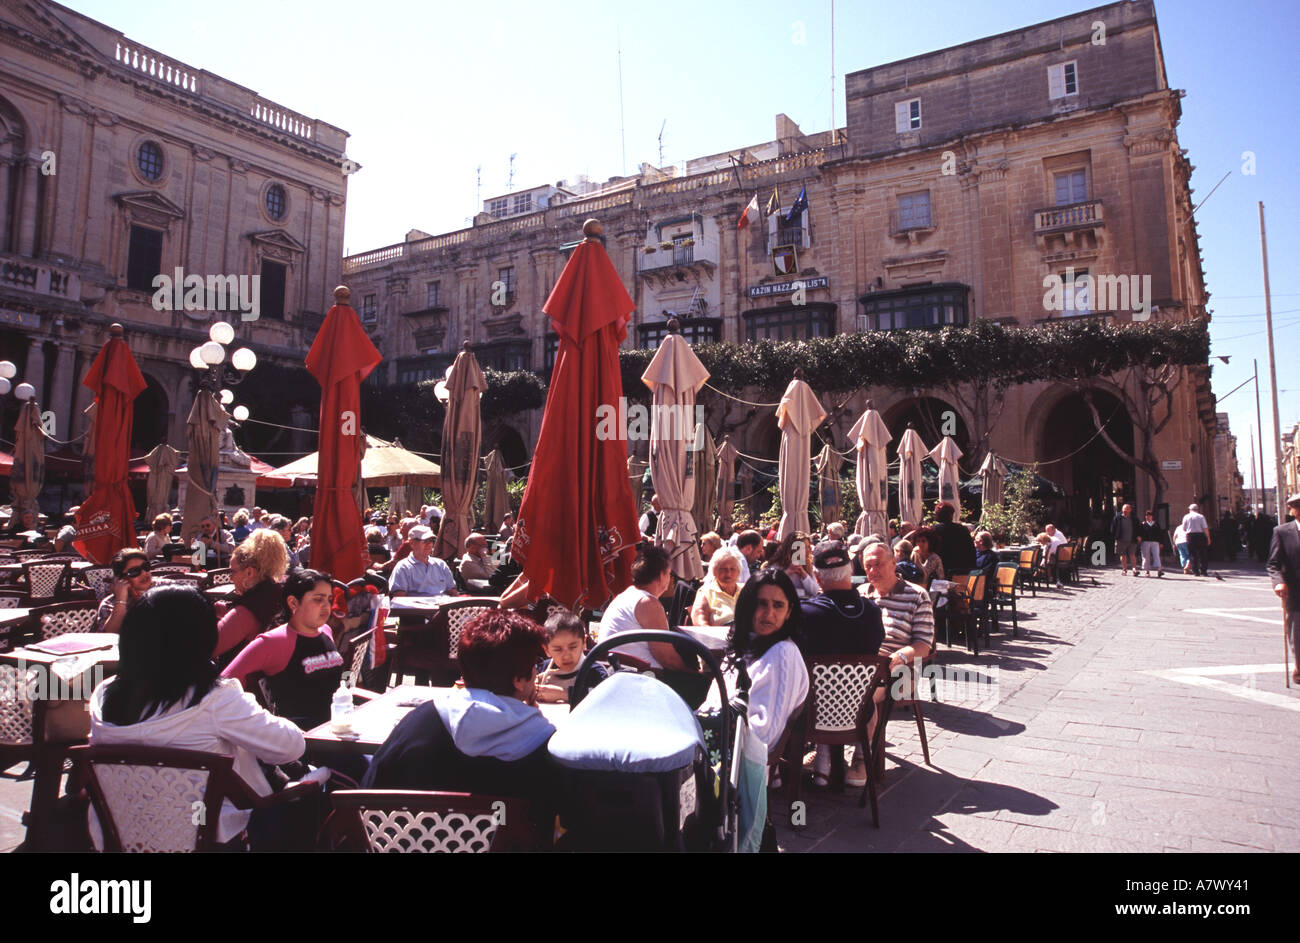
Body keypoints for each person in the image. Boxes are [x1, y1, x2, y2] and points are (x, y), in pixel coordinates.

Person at [89, 584, 306, 850]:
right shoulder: (214, 699)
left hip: (123, 835)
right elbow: (290, 746)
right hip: (206, 838)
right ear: (201, 638)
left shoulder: (104, 694)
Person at [361, 608, 556, 845]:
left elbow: (372, 787)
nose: (537, 671)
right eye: (534, 665)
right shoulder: (541, 742)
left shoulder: (420, 719)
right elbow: (544, 821)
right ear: (518, 678)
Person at [800, 540, 884, 787]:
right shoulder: (871, 612)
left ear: (816, 576)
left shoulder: (805, 613)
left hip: (810, 714)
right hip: (857, 711)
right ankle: (858, 759)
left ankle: (817, 761)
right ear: (851, 571)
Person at [222, 568, 344, 730]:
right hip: (300, 741)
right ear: (293, 602)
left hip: (336, 729)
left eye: (329, 599)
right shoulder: (272, 641)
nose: (326, 607)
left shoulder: (326, 631)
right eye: (318, 600)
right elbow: (224, 684)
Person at [726, 568, 809, 761]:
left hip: (736, 766)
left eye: (778, 605)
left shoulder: (782, 653)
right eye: (761, 604)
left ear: (789, 612)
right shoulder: (746, 645)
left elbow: (765, 737)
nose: (769, 613)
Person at [858, 542, 934, 750]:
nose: (873, 570)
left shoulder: (917, 595)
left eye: (878, 564)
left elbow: (923, 645)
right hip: (861, 664)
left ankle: (862, 758)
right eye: (868, 566)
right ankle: (826, 754)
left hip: (902, 669)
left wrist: (899, 657)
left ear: (894, 563)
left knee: (860, 692)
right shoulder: (861, 593)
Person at [598, 545, 693, 671]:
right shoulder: (648, 603)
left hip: (615, 670)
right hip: (638, 677)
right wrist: (694, 673)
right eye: (669, 574)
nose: (670, 580)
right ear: (661, 575)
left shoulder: (625, 595)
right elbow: (667, 658)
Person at [213, 530, 290, 659]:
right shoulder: (278, 590)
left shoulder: (248, 609)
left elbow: (206, 648)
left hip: (241, 677)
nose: (231, 578)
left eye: (232, 572)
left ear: (249, 573)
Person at [535, 608, 605, 704]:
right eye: (558, 649)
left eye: (572, 647)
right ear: (546, 649)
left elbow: (604, 699)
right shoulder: (542, 669)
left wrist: (564, 694)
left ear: (584, 643)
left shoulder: (594, 672)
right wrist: (531, 688)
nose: (566, 656)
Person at [1267, 494, 1300, 684]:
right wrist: (1278, 581)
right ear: (1293, 511)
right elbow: (1273, 563)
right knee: (1298, 634)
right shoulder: (1282, 532)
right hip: (1295, 591)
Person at [96, 549, 163, 633]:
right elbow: (110, 634)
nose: (143, 573)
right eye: (134, 571)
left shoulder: (163, 588)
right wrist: (121, 599)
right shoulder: (110, 603)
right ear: (121, 578)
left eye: (146, 567)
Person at [388, 525, 457, 597]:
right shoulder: (403, 567)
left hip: (443, 605)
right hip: (417, 607)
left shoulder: (441, 565)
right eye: (424, 541)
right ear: (412, 543)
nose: (429, 544)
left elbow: (453, 591)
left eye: (431, 540)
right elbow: (399, 598)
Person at [689, 546, 743, 627]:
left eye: (732, 569)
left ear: (739, 571)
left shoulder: (746, 590)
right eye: (723, 569)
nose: (728, 574)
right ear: (714, 571)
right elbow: (699, 621)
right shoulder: (706, 592)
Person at [769, 531, 820, 598]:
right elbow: (771, 588)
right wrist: (788, 571)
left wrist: (803, 574)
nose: (809, 550)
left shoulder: (807, 564)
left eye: (808, 546)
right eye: (804, 548)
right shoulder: (777, 565)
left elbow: (814, 591)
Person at [932, 503, 976, 576]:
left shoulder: (934, 530)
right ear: (952, 515)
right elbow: (971, 552)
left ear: (938, 515)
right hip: (964, 573)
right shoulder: (963, 529)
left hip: (944, 574)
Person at [1180, 503, 1211, 577]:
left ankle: (1195, 571)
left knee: (1193, 554)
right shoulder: (1201, 516)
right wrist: (1208, 538)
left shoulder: (1186, 517)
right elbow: (1205, 528)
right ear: (1197, 509)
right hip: (1200, 536)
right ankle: (1203, 571)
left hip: (1190, 536)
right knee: (1203, 554)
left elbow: (1183, 528)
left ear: (1190, 509)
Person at [1136, 510, 1165, 577]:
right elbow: (1139, 533)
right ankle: (1147, 571)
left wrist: (1161, 542)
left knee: (1156, 555)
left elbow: (1160, 534)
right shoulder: (1143, 524)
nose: (1148, 517)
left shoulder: (1156, 524)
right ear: (1145, 517)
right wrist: (1139, 537)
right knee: (1146, 556)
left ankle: (1159, 570)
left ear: (1152, 517)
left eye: (1150, 516)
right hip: (1145, 542)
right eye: (1147, 516)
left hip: (1155, 542)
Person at [1111, 504, 1137, 576]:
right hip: (1121, 540)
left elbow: (1138, 527)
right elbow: (1113, 528)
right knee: (1123, 555)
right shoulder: (1118, 518)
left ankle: (1134, 569)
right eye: (1124, 509)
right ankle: (1124, 570)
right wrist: (1115, 537)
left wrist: (1139, 536)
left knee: (1132, 554)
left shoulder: (1134, 518)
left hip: (1132, 539)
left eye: (1127, 509)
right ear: (1122, 510)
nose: (1126, 511)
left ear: (1130, 510)